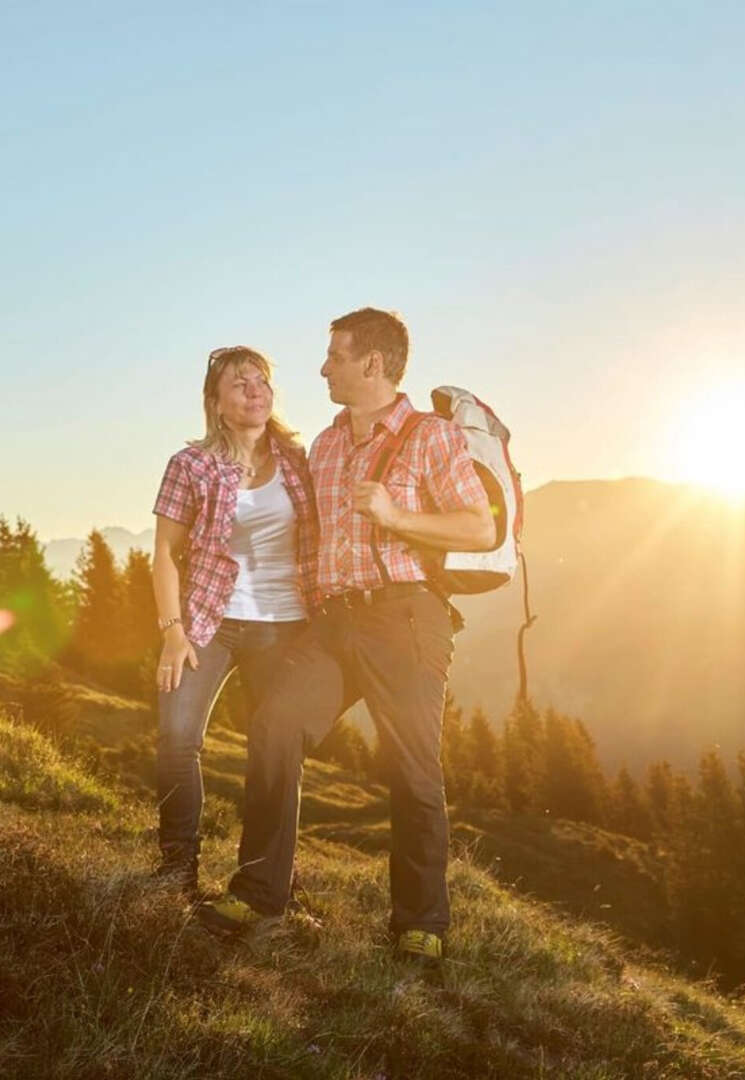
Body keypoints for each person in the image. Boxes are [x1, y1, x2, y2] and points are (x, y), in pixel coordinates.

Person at [198, 308, 494, 961]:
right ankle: (258, 893)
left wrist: (397, 514)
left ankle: (421, 923)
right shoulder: (327, 445)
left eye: (334, 355)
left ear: (372, 363)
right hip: (332, 623)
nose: (323, 366)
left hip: (405, 618)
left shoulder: (430, 437)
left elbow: (478, 529)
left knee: (412, 768)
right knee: (275, 724)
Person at [150, 346, 318, 897]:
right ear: (216, 403)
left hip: (286, 624)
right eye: (239, 383)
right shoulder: (191, 464)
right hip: (208, 620)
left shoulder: (300, 460)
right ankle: (178, 867)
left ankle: (270, 880)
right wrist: (173, 631)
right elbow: (164, 554)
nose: (254, 390)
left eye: (261, 380)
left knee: (275, 752)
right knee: (177, 738)